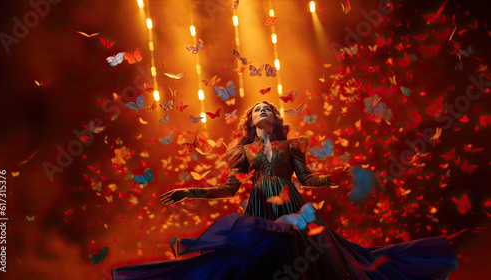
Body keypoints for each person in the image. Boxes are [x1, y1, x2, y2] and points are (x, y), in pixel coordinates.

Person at [112, 101, 458, 280]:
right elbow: (230, 189)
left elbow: (306, 179)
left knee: (303, 253)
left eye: (269, 109)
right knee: (263, 260)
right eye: (258, 109)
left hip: (290, 202)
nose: (264, 110)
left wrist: (332, 178)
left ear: (276, 120)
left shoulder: (291, 146)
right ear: (251, 121)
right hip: (259, 206)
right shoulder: (243, 152)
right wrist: (189, 191)